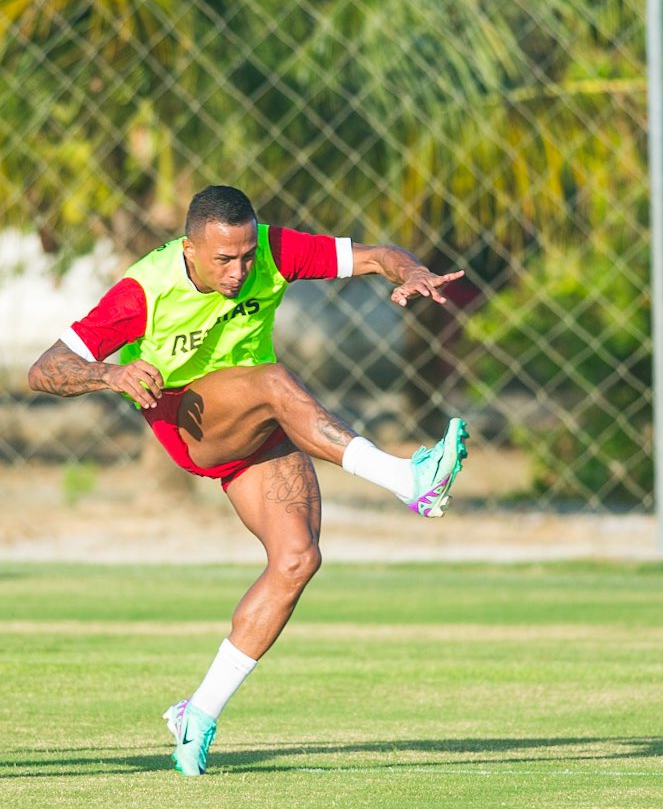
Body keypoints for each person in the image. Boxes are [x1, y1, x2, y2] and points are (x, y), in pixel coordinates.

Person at [28, 184, 469, 775]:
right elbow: (43, 369)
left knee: (296, 560)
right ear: (190, 247)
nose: (239, 271)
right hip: (191, 422)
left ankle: (198, 714)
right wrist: (110, 374)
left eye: (245, 257)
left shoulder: (273, 250)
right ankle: (408, 480)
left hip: (260, 426)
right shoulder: (144, 290)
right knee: (270, 379)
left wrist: (412, 269)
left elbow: (375, 255)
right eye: (223, 260)